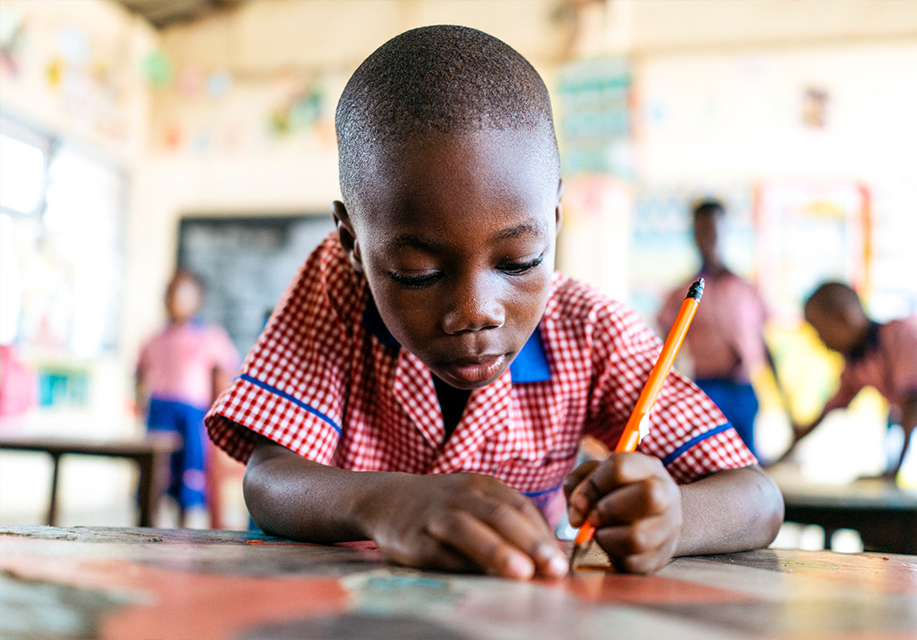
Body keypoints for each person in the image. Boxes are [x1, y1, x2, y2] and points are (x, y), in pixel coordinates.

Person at [205, 25, 783, 579]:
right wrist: (387, 503)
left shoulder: (587, 331)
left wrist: (673, 521)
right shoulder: (336, 294)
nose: (476, 310)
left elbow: (757, 499)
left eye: (519, 261)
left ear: (554, 222)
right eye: (417, 272)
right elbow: (269, 478)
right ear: (353, 243)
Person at [786, 281, 917, 477]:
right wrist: (784, 452)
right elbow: (831, 407)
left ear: (844, 318)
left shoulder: (901, 336)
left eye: (819, 331)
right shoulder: (857, 362)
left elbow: (914, 406)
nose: (821, 342)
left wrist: (893, 472)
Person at [656, 200, 783, 457]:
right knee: (712, 458)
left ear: (725, 232)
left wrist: (783, 396)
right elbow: (665, 346)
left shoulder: (747, 289)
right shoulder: (682, 292)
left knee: (748, 460)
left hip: (745, 388)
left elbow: (764, 341)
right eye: (703, 230)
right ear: (694, 235)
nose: (710, 237)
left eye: (715, 229)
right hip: (706, 388)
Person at [136, 270, 239, 526]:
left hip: (193, 415)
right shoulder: (155, 339)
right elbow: (140, 373)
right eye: (171, 293)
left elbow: (226, 373)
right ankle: (149, 524)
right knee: (157, 473)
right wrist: (139, 404)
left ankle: (184, 526)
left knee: (189, 471)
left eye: (183, 294)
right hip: (160, 411)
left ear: (198, 300)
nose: (176, 299)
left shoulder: (210, 337)